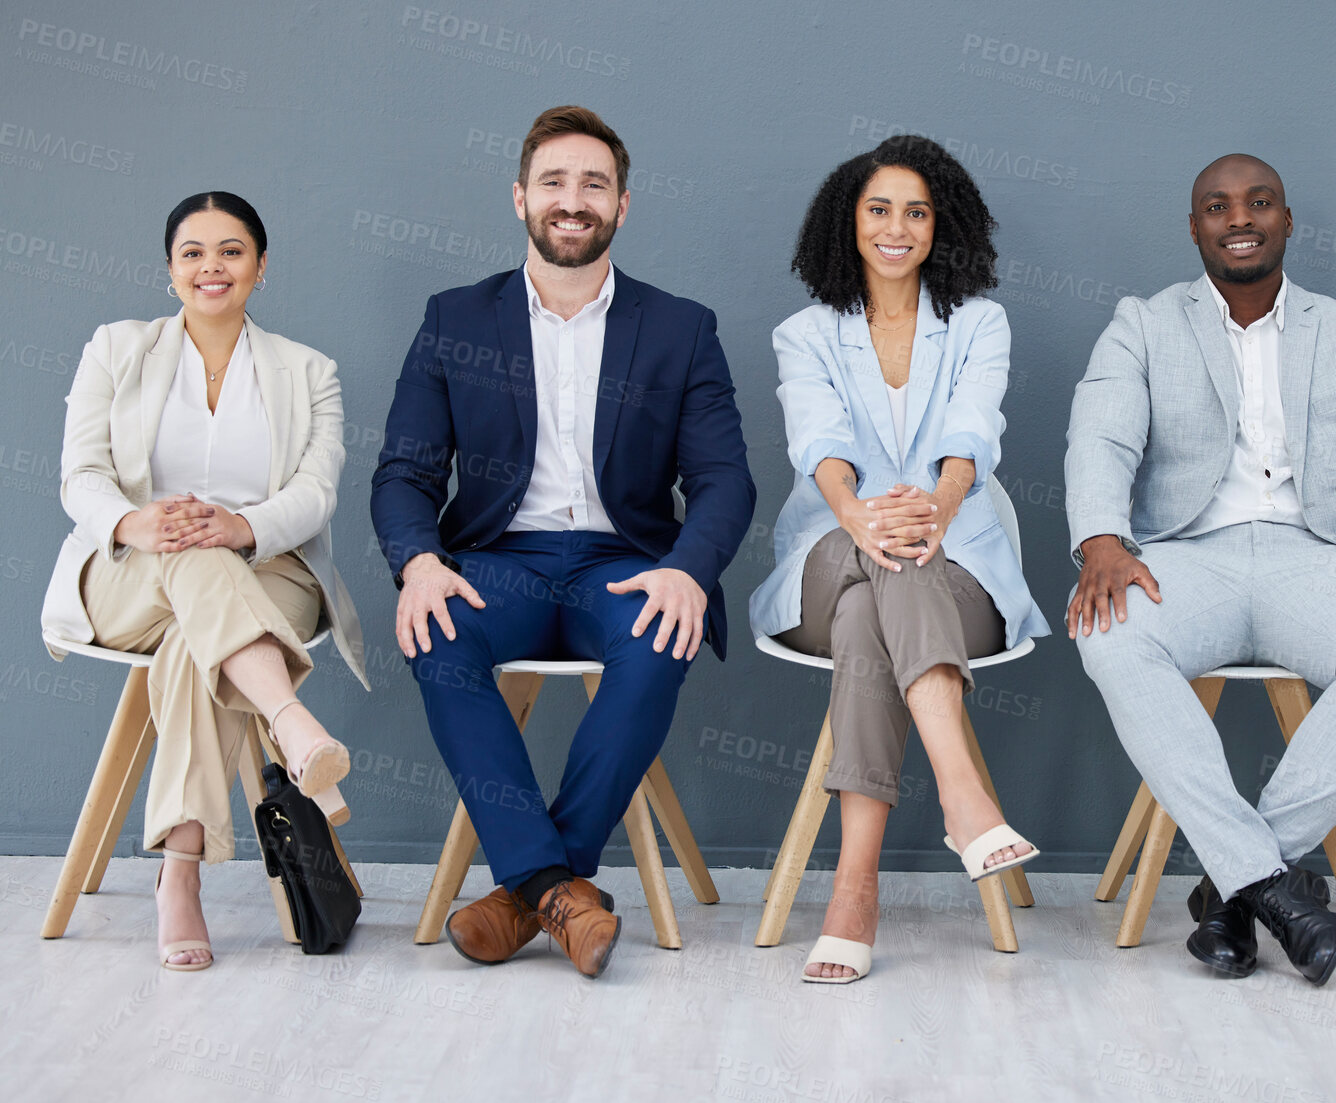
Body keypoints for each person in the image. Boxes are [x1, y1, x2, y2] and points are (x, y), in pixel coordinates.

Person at [371, 106, 756, 979]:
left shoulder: (680, 327)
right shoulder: (455, 319)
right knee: (436, 628)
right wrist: (420, 562)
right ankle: (561, 889)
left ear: (625, 205)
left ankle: (525, 889)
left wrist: (689, 571)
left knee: (662, 633)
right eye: (553, 182)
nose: (571, 200)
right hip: (499, 563)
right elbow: (404, 471)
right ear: (519, 198)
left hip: (624, 567)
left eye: (593, 184)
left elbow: (724, 479)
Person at [1065, 155, 1336, 987]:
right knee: (1109, 632)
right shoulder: (1142, 322)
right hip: (1182, 555)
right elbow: (1101, 435)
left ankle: (1236, 890)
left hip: (1316, 557)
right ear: (1194, 225)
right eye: (1216, 205)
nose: (1239, 217)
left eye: (1258, 202)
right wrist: (1100, 541)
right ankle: (1275, 885)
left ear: (1286, 220)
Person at [749, 135, 1051, 984]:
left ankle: (852, 893)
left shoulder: (979, 324)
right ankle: (962, 795)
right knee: (878, 561)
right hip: (827, 552)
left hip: (955, 566)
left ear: (940, 226)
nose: (896, 227)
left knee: (871, 611)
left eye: (916, 211)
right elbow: (819, 440)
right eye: (879, 209)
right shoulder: (804, 334)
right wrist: (858, 517)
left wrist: (941, 506)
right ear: (848, 223)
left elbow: (971, 431)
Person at [43, 191, 368, 971]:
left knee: (199, 630)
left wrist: (240, 526)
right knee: (189, 550)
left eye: (230, 250)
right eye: (192, 252)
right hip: (127, 572)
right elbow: (80, 474)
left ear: (260, 266)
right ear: (169, 271)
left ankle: (178, 875)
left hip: (268, 571)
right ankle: (291, 720)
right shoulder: (116, 349)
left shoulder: (307, 370)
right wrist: (137, 523)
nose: (211, 266)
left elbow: (316, 493)